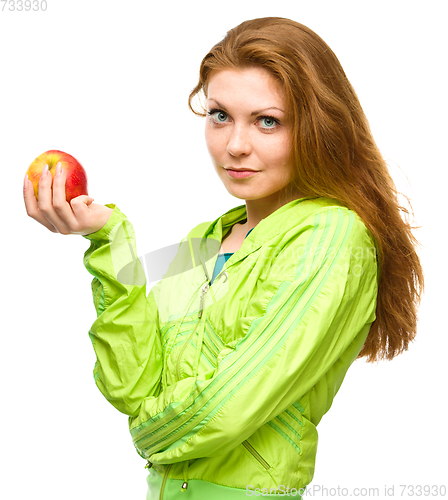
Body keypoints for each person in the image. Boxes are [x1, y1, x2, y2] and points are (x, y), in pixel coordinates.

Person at [23, 16, 424, 500]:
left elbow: (224, 408)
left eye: (267, 121)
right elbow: (132, 385)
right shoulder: (204, 240)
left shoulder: (332, 236)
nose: (235, 145)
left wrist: (145, 435)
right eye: (219, 115)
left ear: (318, 127)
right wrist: (108, 237)